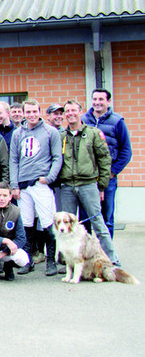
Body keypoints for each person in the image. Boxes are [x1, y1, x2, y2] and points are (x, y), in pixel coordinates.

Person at [59, 99, 120, 265]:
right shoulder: (61, 136)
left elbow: (104, 159)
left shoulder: (93, 133)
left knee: (98, 222)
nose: (70, 114)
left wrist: (102, 185)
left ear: (80, 112)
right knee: (66, 227)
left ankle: (111, 259)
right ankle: (68, 261)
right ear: (64, 115)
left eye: (74, 110)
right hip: (67, 186)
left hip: (88, 184)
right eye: (67, 111)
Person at [9, 99, 62, 275]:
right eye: (28, 112)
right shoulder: (18, 133)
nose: (31, 115)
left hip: (41, 183)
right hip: (23, 186)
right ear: (23, 113)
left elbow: (57, 157)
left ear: (39, 112)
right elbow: (14, 160)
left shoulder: (50, 132)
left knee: (48, 223)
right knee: (27, 224)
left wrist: (49, 178)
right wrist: (14, 185)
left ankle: (51, 261)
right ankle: (29, 260)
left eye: (34, 111)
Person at [81, 88, 132, 239]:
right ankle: (87, 254)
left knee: (106, 218)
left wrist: (112, 172)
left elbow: (126, 151)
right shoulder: (84, 120)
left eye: (101, 99)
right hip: (87, 178)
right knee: (86, 218)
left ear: (108, 101)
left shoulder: (117, 121)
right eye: (95, 99)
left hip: (108, 179)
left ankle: (106, 256)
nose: (97, 103)